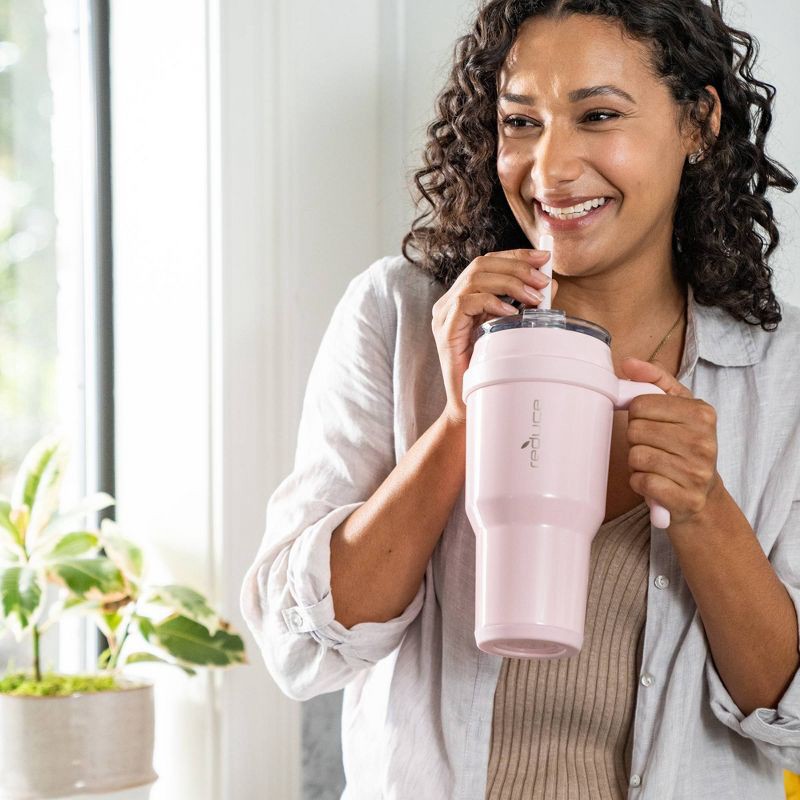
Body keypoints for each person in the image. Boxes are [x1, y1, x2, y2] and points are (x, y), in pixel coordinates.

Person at [240, 1, 800, 797]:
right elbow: (303, 649)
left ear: (698, 122)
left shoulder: (784, 378)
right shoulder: (399, 319)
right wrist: (462, 417)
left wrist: (707, 509)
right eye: (521, 122)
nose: (550, 169)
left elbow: (792, 722)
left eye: (598, 115)